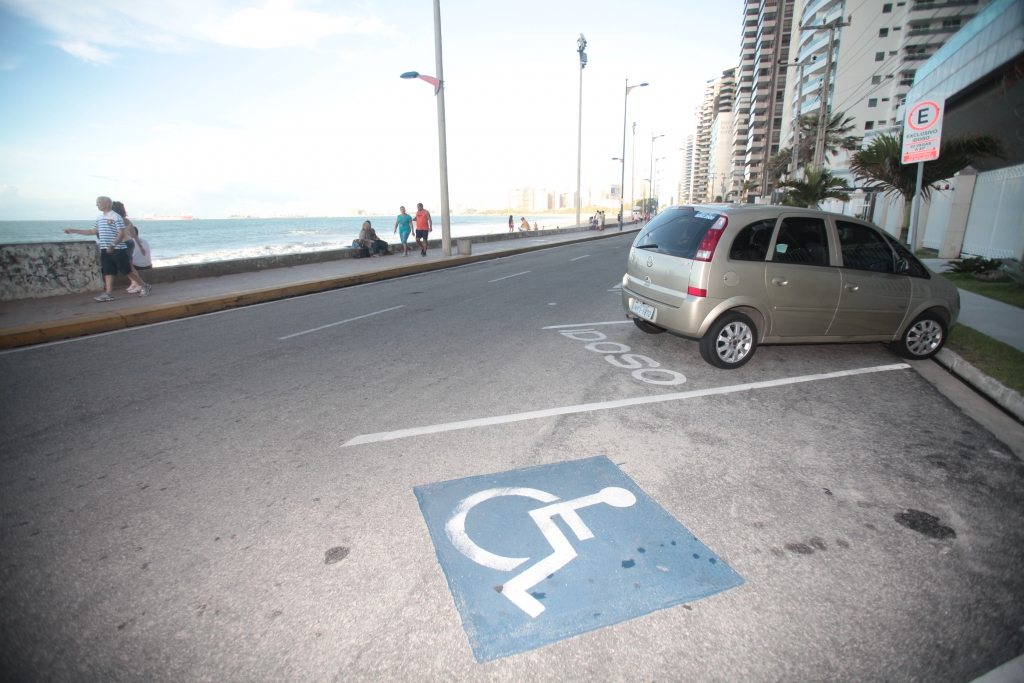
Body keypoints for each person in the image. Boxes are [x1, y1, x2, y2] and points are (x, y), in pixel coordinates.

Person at [64, 196, 151, 300]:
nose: (97, 205)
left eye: (99, 203)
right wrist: (73, 230)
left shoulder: (116, 216)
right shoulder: (100, 218)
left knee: (127, 270)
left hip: (118, 248)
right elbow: (92, 231)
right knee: (108, 271)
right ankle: (108, 294)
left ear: (106, 204)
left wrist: (113, 245)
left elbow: (121, 233)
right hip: (105, 249)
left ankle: (144, 285)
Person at [111, 201, 146, 292]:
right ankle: (134, 282)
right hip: (130, 243)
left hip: (122, 244)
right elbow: (134, 235)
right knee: (129, 265)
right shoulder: (127, 220)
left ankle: (139, 284)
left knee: (128, 267)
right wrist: (141, 246)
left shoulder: (115, 220)